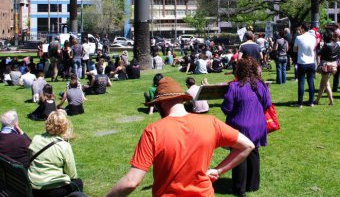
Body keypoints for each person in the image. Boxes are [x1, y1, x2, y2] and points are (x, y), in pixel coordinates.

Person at [105, 77, 255, 197]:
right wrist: (218, 170)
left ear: (161, 104)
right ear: (182, 100)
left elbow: (131, 182)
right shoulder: (211, 122)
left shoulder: (153, 132)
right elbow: (247, 145)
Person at [222, 57, 271, 196]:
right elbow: (267, 104)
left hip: (241, 126)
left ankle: (239, 188)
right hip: (258, 125)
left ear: (239, 70)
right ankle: (253, 184)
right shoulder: (261, 85)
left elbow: (227, 108)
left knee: (238, 154)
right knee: (254, 152)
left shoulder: (234, 87)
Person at [28, 110, 83, 196]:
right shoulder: (64, 146)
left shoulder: (36, 138)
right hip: (51, 189)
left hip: (33, 186)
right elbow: (72, 174)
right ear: (64, 126)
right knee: (78, 182)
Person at [293, 21, 317, 107]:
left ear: (302, 28)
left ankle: (300, 103)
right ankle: (311, 102)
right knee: (311, 82)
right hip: (311, 62)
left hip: (302, 62)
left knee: (301, 82)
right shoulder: (313, 38)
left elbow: (295, 49)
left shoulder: (299, 38)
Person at [315, 32, 340, 106]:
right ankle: (317, 100)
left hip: (326, 66)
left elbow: (319, 53)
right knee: (323, 83)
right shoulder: (337, 44)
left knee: (326, 84)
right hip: (334, 65)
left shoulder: (326, 46)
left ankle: (331, 101)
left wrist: (318, 47)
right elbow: (338, 53)